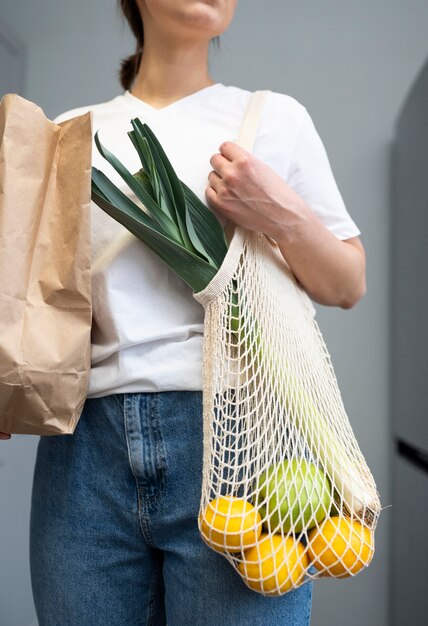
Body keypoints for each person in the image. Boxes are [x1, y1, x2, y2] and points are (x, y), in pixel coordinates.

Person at [1, 0, 366, 624]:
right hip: (86, 453)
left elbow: (346, 283)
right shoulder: (69, 131)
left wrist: (279, 211)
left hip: (242, 446)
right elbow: (36, 300)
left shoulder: (272, 117)